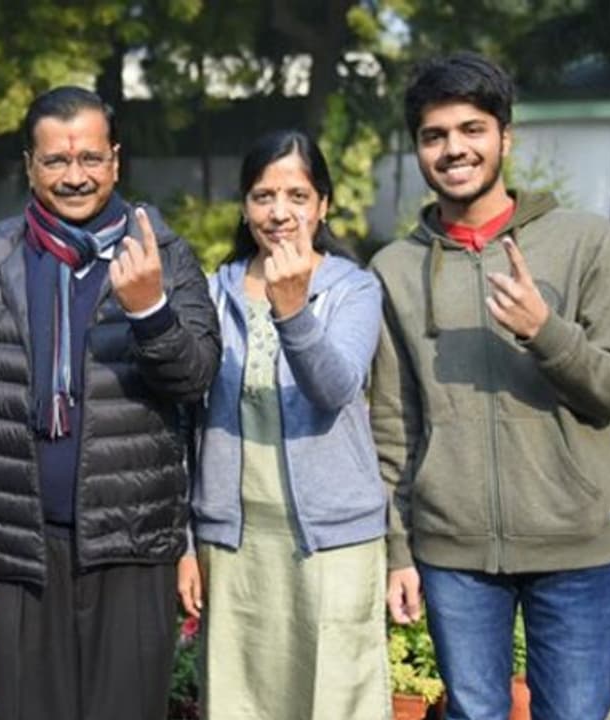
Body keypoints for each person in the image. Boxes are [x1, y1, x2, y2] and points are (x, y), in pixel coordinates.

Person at [0, 86, 220, 720]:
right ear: (30, 166)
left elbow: (194, 380)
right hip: (20, 544)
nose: (75, 176)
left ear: (115, 160)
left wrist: (150, 310)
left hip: (133, 540)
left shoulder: (163, 257)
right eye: (56, 161)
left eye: (90, 158)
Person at [373, 52, 610, 720]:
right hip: (453, 550)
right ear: (418, 149)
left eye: (471, 128)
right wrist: (397, 549)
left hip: (576, 541)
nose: (454, 149)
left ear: (505, 136)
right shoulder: (394, 270)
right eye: (435, 135)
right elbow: (391, 423)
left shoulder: (584, 242)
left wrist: (545, 332)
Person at [181, 129, 389, 719]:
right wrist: (185, 542)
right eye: (263, 195)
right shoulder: (213, 294)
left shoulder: (352, 289)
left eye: (297, 195)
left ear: (323, 204)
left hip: (332, 540)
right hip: (236, 542)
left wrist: (293, 308)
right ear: (245, 209)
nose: (279, 212)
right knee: (240, 698)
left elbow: (335, 388)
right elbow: (182, 421)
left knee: (335, 697)